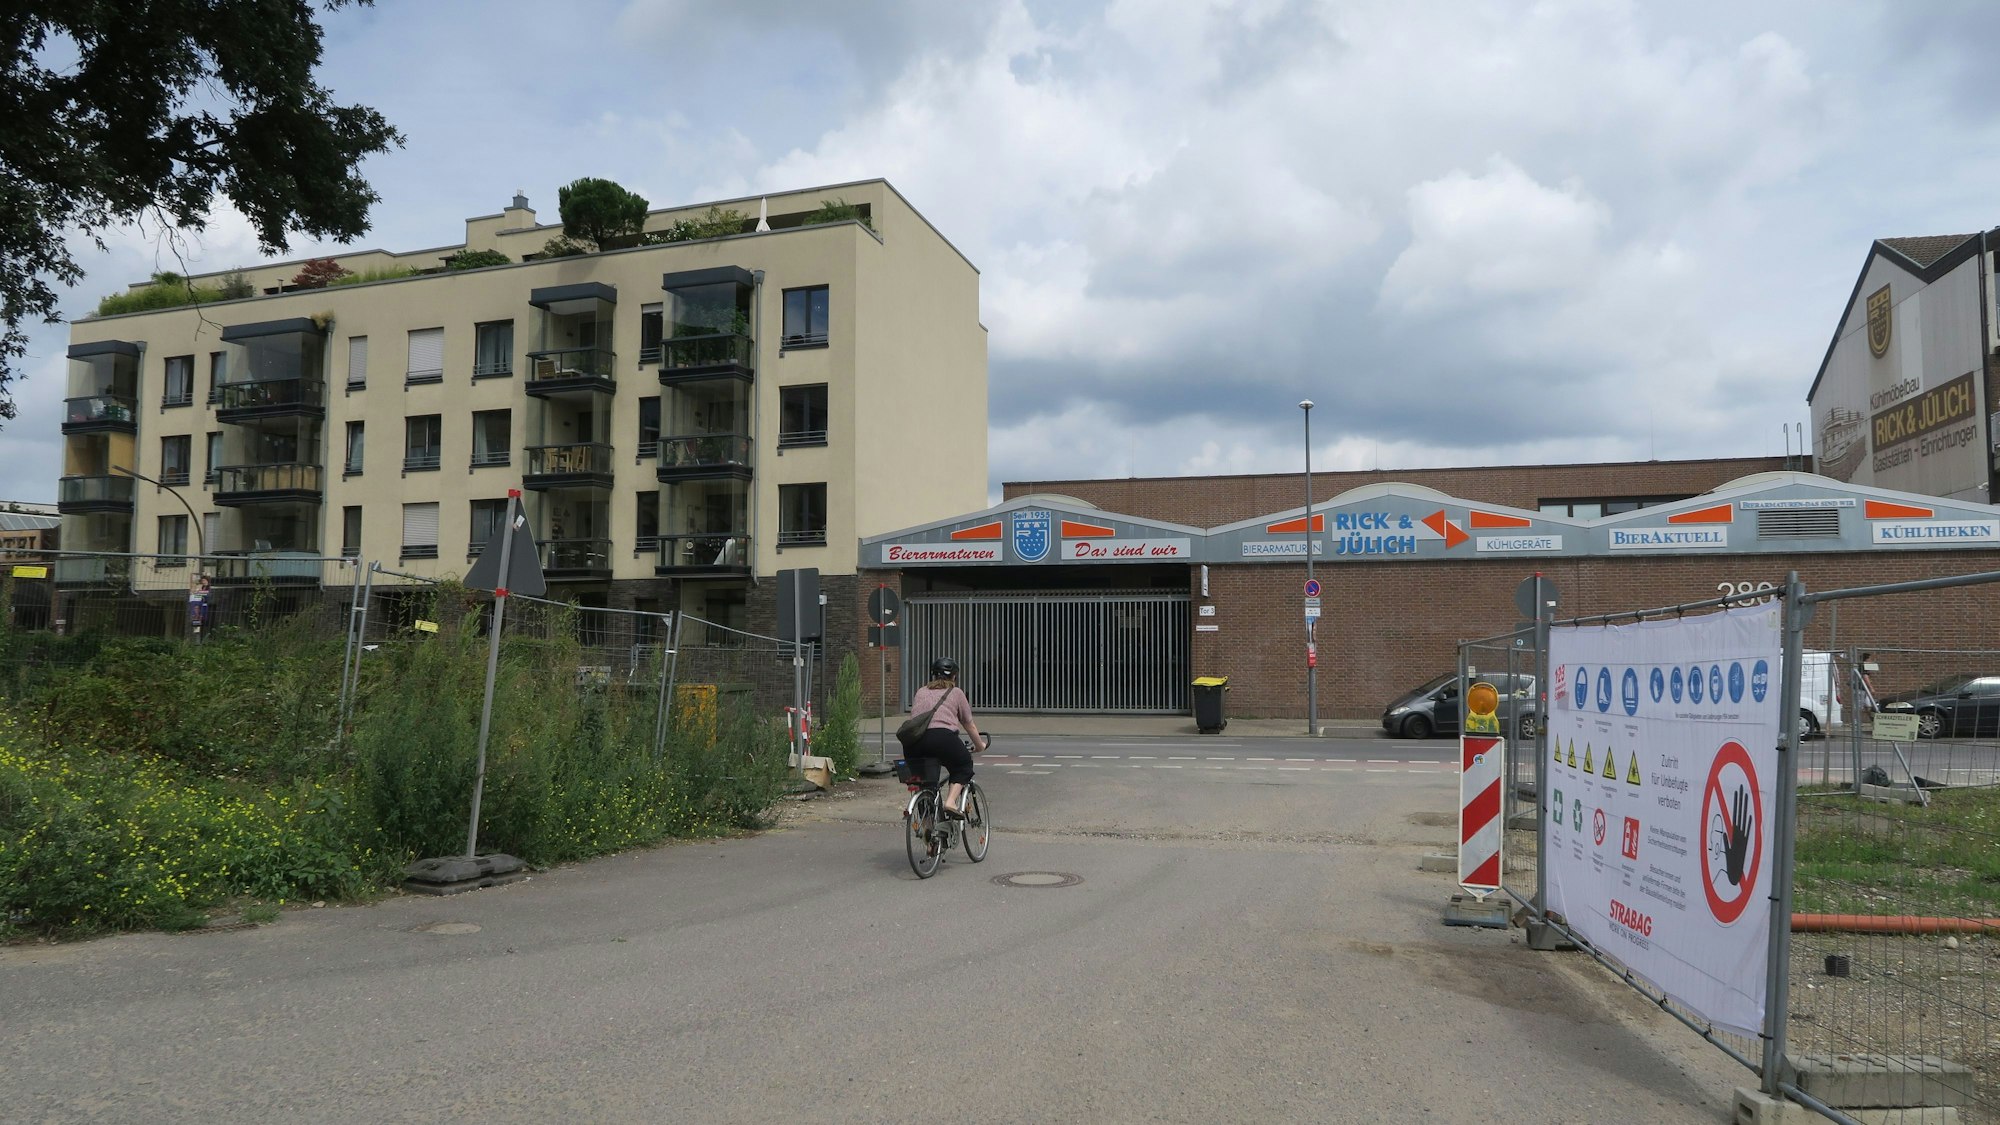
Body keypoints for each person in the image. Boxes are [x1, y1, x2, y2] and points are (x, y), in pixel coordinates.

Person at [906, 657, 987, 817]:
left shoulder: (921, 691)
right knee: (963, 766)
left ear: (934, 676)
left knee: (926, 784)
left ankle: (928, 832)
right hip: (942, 738)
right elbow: (968, 723)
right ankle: (950, 802)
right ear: (954, 677)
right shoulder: (956, 693)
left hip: (914, 742)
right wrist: (979, 746)